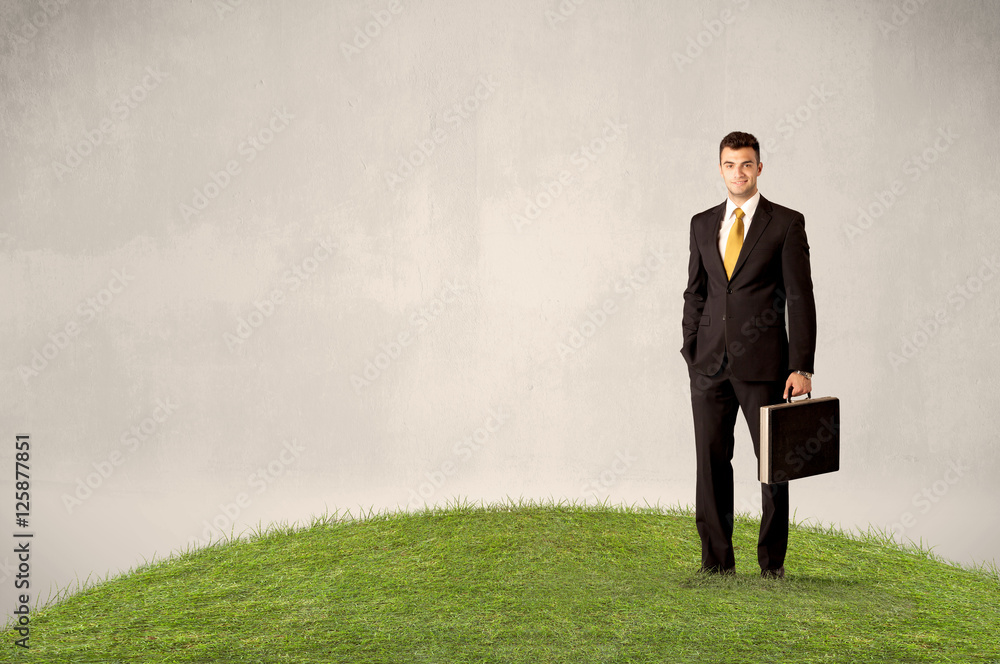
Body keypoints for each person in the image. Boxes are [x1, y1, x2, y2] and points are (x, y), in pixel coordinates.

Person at [680, 131, 817, 579]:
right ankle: (716, 563)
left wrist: (801, 366)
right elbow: (695, 292)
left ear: (759, 168)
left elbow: (800, 298)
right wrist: (691, 348)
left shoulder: (785, 223)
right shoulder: (702, 223)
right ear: (719, 168)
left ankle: (772, 566)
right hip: (709, 367)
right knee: (711, 465)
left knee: (773, 469)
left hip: (766, 368)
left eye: (745, 164)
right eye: (729, 164)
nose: (737, 172)